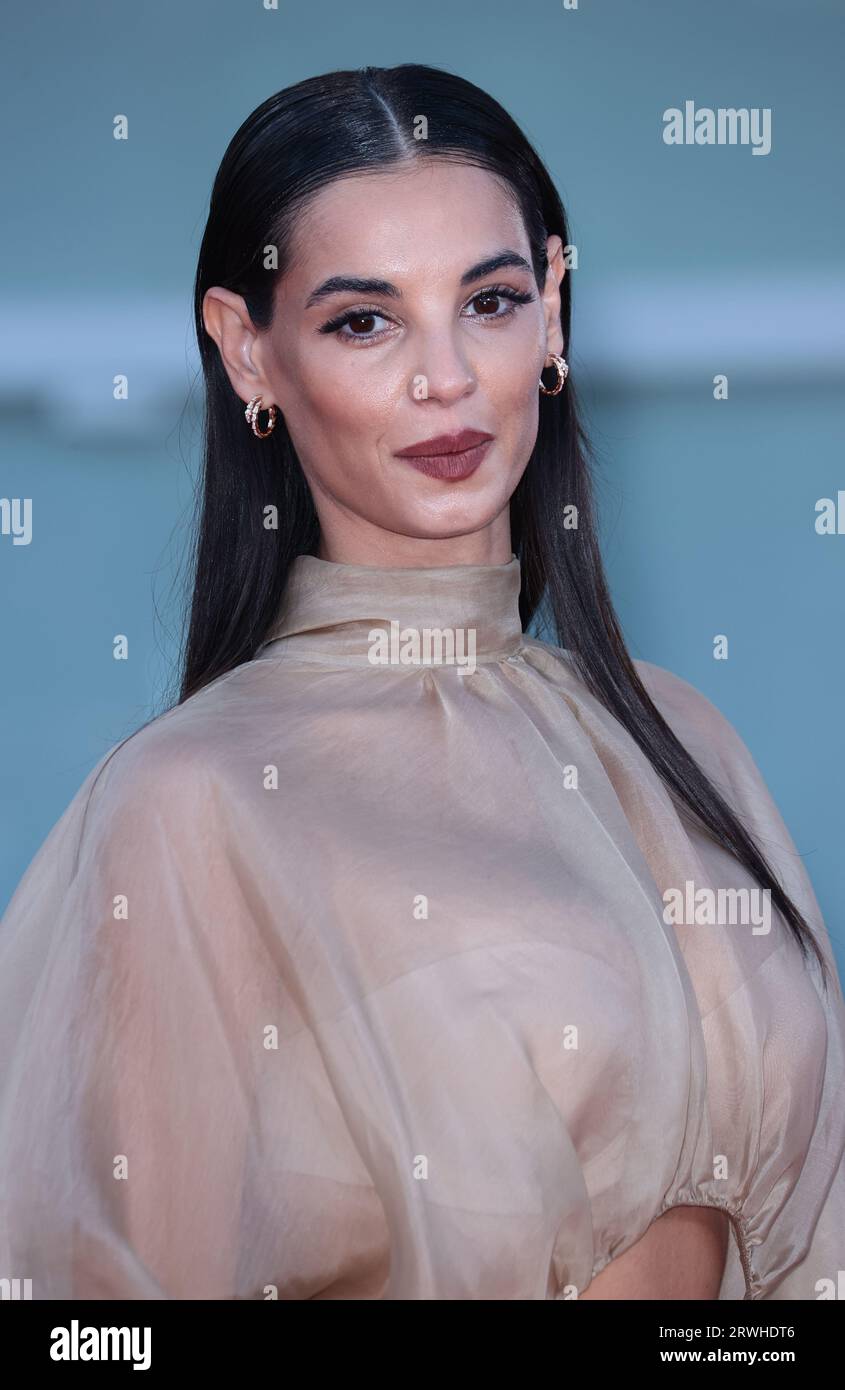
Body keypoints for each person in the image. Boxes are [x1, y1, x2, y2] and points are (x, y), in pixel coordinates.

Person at [1, 63, 843, 1301]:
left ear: (552, 307)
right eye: (364, 320)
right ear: (248, 351)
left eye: (489, 300)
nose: (442, 377)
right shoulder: (190, 800)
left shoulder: (682, 734)